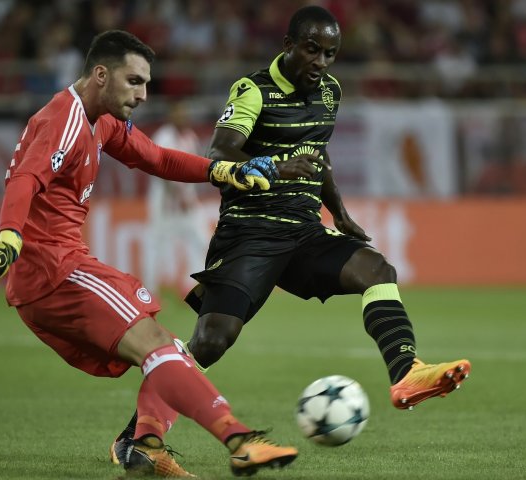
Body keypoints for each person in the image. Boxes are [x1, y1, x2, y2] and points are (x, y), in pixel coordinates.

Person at [112, 5, 471, 461]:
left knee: (378, 269)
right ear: (289, 46)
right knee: (212, 341)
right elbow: (220, 152)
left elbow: (318, 156)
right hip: (249, 234)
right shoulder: (253, 90)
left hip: (303, 232)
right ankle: (136, 435)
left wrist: (338, 212)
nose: (321, 62)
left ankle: (406, 372)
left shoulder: (329, 92)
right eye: (312, 50)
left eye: (331, 54)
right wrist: (278, 168)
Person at [0, 30, 297, 478]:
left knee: (169, 348)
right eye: (134, 81)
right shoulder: (64, 120)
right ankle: (239, 439)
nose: (143, 94)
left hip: (56, 272)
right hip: (55, 271)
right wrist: (9, 240)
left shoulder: (101, 119)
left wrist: (225, 170)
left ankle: (143, 446)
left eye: (146, 83)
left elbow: (155, 158)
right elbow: (25, 180)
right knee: (159, 345)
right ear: (100, 75)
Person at [144, 100, 208, 295]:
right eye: (178, 114)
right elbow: (160, 169)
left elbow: (194, 167)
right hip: (164, 202)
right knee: (157, 244)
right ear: (171, 116)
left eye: (185, 114)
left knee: (201, 239)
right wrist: (177, 196)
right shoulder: (164, 136)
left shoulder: (189, 136)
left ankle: (192, 286)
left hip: (187, 200)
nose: (182, 117)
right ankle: (150, 290)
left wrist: (187, 195)